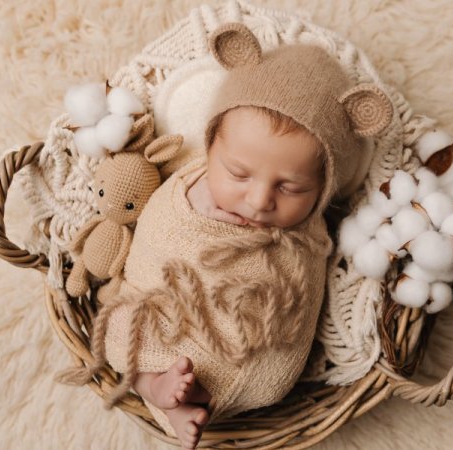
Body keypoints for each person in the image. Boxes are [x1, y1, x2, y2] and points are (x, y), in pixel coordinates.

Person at [91, 23, 392, 449]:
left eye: (290, 187)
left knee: (269, 368)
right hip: (166, 309)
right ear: (210, 148)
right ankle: (156, 385)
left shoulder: (310, 236)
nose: (258, 200)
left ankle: (195, 393)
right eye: (238, 173)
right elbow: (159, 240)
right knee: (125, 326)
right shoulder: (186, 184)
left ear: (323, 188)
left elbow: (298, 296)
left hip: (247, 341)